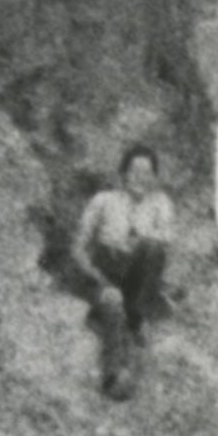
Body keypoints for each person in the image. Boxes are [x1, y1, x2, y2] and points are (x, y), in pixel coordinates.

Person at [70, 140, 178, 400]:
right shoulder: (103, 200)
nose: (140, 178)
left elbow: (165, 249)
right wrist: (98, 279)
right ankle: (113, 374)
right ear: (122, 173)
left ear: (154, 177)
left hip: (137, 277)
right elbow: (78, 248)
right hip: (104, 270)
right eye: (134, 171)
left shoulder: (160, 203)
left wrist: (139, 240)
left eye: (147, 173)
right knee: (113, 301)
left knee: (151, 247)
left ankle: (136, 314)